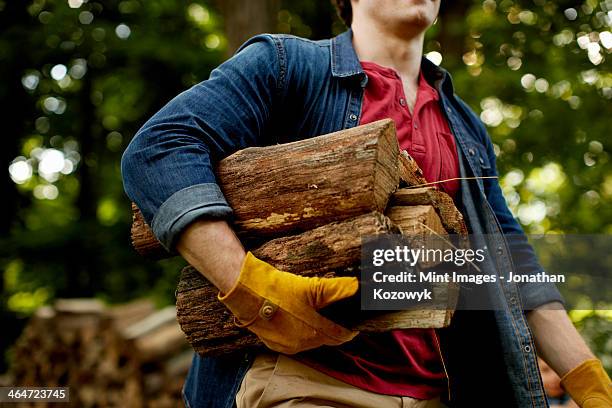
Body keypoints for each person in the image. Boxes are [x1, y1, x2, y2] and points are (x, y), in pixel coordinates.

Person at [121, 0, 612, 407]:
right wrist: (254, 290)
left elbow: (511, 262)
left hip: (441, 393)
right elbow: (161, 148)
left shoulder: (465, 128)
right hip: (306, 384)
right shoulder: (287, 67)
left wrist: (587, 378)